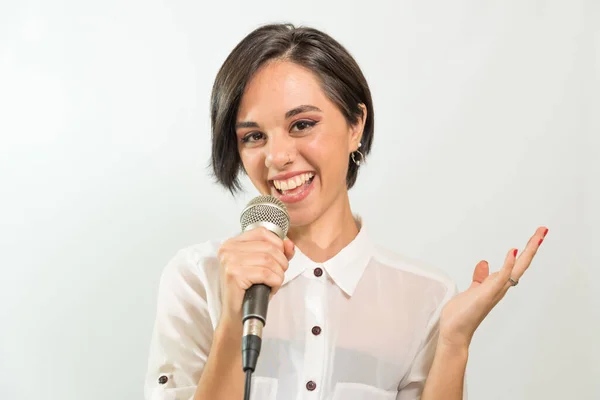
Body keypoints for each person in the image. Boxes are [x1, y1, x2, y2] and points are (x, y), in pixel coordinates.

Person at [144, 23, 548, 400]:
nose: (278, 157)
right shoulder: (197, 277)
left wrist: (454, 344)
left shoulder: (427, 296)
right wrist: (233, 319)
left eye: (302, 124)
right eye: (253, 136)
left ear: (355, 125)